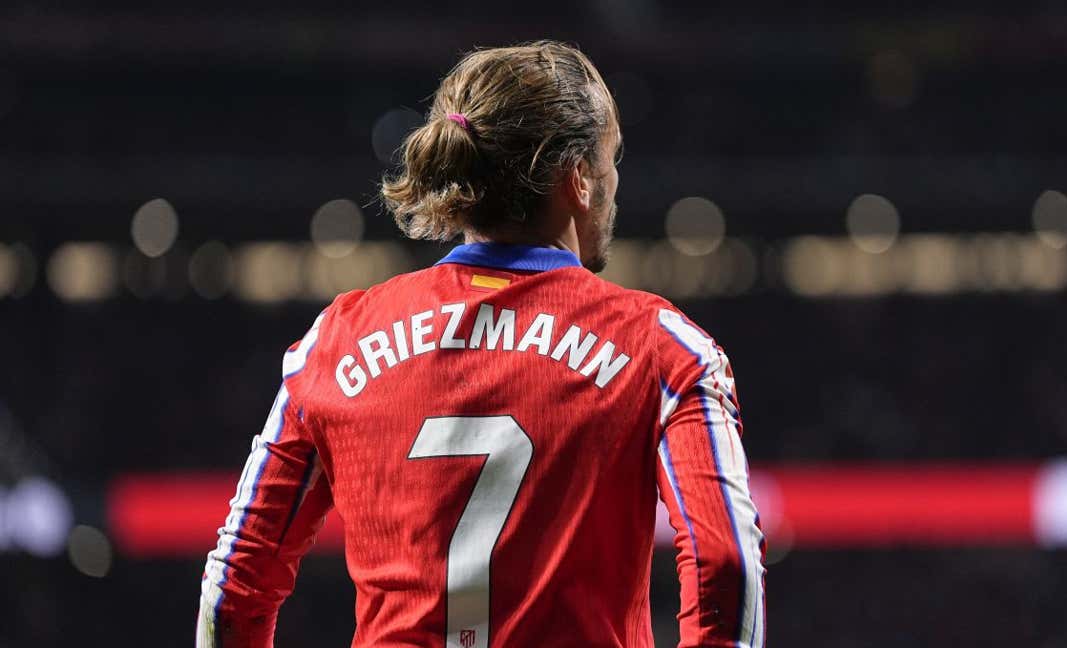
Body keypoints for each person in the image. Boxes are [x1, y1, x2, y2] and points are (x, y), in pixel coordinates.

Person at [197, 40, 765, 648]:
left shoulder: (333, 345)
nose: (616, 181)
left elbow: (237, 580)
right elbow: (724, 560)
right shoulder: (663, 350)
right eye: (612, 159)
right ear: (578, 178)